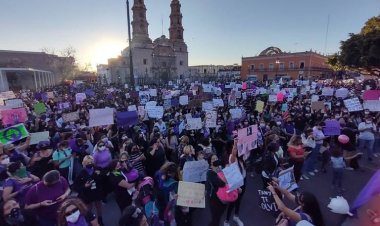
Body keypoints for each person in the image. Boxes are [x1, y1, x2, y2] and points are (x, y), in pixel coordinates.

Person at [73, 155, 104, 225]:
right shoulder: (81, 173)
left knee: (99, 206)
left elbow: (103, 178)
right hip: (87, 194)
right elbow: (75, 187)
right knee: (88, 208)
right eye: (87, 162)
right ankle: (89, 221)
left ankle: (100, 219)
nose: (89, 164)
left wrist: (99, 175)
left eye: (91, 162)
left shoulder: (98, 169)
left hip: (97, 192)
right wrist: (84, 186)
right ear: (84, 163)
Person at [225, 139, 245, 226]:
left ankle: (236, 216)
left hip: (243, 181)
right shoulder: (232, 158)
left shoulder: (241, 157)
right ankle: (226, 221)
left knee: (239, 201)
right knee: (232, 203)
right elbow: (234, 152)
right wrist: (235, 144)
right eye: (237, 148)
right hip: (236, 184)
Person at [206, 154, 227, 226]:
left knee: (219, 216)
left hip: (222, 197)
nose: (215, 160)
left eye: (216, 158)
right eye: (213, 159)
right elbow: (221, 183)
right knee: (215, 219)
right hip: (214, 199)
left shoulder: (220, 168)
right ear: (210, 162)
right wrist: (225, 180)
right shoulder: (210, 172)